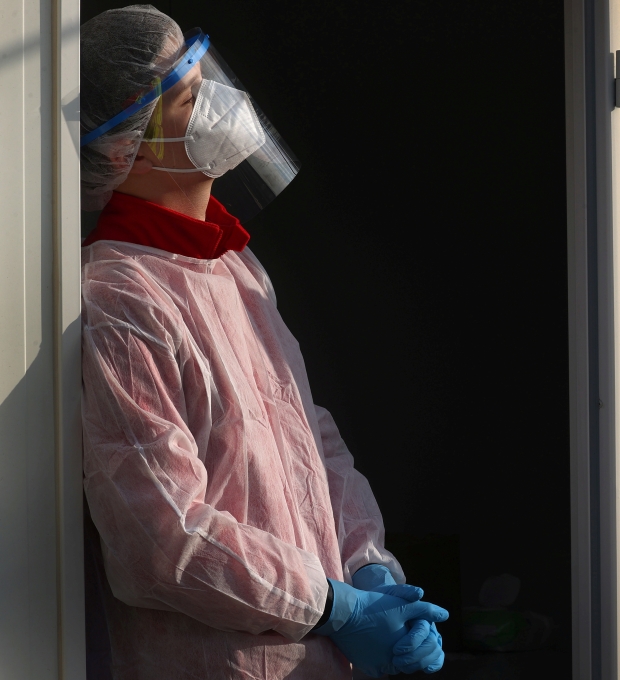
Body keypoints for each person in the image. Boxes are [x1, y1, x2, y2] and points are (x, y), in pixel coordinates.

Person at [79, 6, 447, 679]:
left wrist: (368, 569)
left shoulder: (232, 267)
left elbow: (310, 440)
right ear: (122, 147)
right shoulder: (121, 299)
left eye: (205, 71)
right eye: (192, 94)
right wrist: (334, 608)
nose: (224, 102)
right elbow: (163, 541)